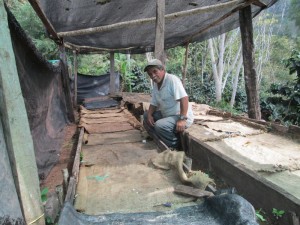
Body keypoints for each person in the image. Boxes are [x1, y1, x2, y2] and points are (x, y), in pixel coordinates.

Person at [143, 59, 194, 149]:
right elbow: (154, 103)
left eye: (155, 71)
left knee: (159, 125)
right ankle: (160, 137)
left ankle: (174, 146)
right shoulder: (156, 84)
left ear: (162, 69)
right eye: (150, 74)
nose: (153, 76)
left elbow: (184, 98)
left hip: (180, 115)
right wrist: (150, 115)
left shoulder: (172, 80)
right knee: (146, 115)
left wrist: (182, 119)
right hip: (167, 115)